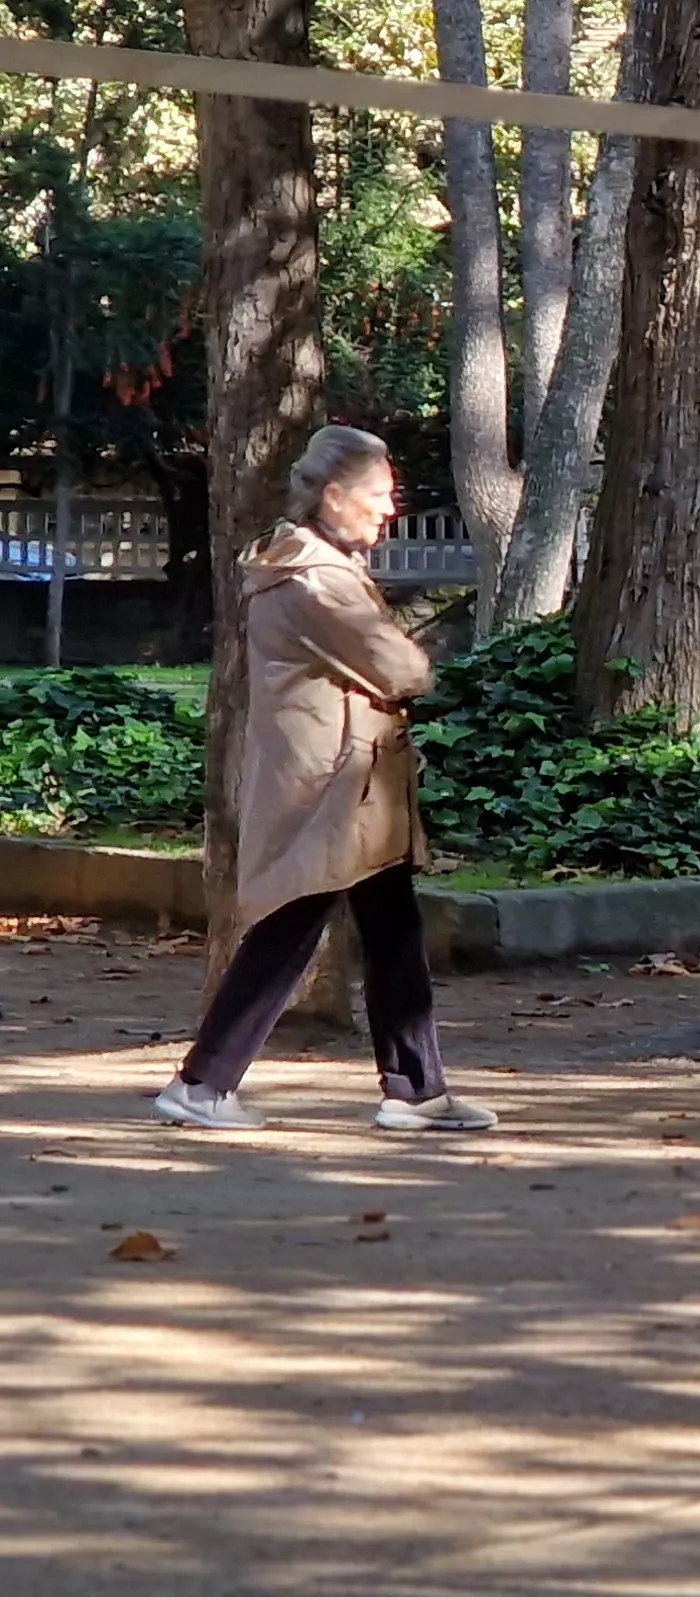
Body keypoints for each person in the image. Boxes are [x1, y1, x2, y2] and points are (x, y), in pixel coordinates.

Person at [151, 427, 499, 1134]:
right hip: (333, 785)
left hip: (352, 781)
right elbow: (401, 668)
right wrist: (415, 661)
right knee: (291, 927)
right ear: (335, 496)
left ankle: (416, 1090)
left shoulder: (310, 564)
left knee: (391, 927)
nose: (390, 508)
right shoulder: (318, 578)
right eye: (379, 494)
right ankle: (202, 1083)